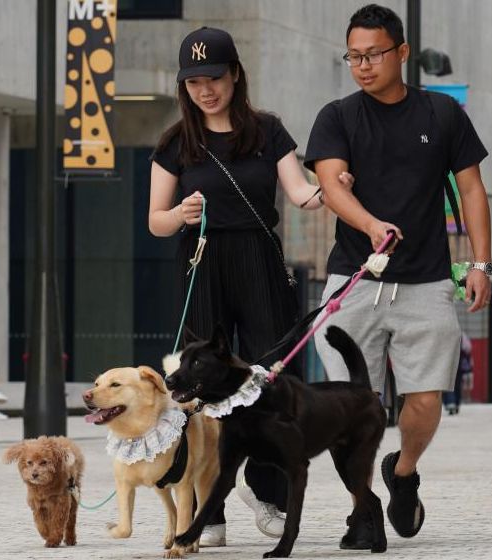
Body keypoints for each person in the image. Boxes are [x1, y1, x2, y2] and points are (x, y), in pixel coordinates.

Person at [148, 26, 353, 547]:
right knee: (200, 385)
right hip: (202, 260)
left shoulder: (268, 132)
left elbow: (301, 193)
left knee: (270, 377)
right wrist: (178, 213)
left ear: (235, 74)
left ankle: (270, 495)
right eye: (194, 82)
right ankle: (206, 510)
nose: (206, 90)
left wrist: (332, 191)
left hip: (261, 261)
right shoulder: (175, 143)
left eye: (214, 77)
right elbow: (155, 221)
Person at [305, 4, 492, 545]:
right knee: (348, 410)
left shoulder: (443, 114)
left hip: (428, 282)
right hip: (354, 282)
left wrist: (479, 264)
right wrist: (370, 225)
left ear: (402, 52)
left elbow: (473, 189)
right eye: (354, 57)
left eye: (374, 55)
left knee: (425, 399)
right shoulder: (337, 116)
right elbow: (332, 186)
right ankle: (362, 508)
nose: (363, 66)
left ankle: (403, 472)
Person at [444, 333, 473, 415]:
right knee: (457, 384)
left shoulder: (446, 335)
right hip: (459, 364)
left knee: (449, 384)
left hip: (448, 364)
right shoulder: (462, 336)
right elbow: (468, 348)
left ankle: (450, 403)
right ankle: (456, 403)